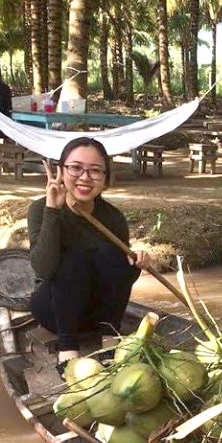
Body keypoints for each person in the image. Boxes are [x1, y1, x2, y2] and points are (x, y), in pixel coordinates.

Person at [27, 136, 153, 376]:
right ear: (61, 171)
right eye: (75, 168)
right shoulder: (41, 209)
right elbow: (43, 269)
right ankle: (68, 348)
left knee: (112, 253)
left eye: (95, 171)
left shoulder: (113, 217)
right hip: (54, 308)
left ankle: (109, 340)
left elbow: (118, 279)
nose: (85, 177)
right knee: (74, 257)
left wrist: (136, 262)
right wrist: (53, 210)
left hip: (97, 313)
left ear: (105, 178)